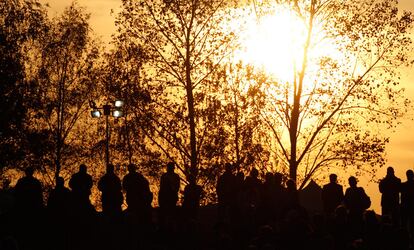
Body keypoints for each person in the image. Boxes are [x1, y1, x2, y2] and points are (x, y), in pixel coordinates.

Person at [401, 169, 414, 243]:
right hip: (410, 207)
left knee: (405, 224)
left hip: (405, 207)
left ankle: (405, 239)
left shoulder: (403, 185)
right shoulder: (403, 185)